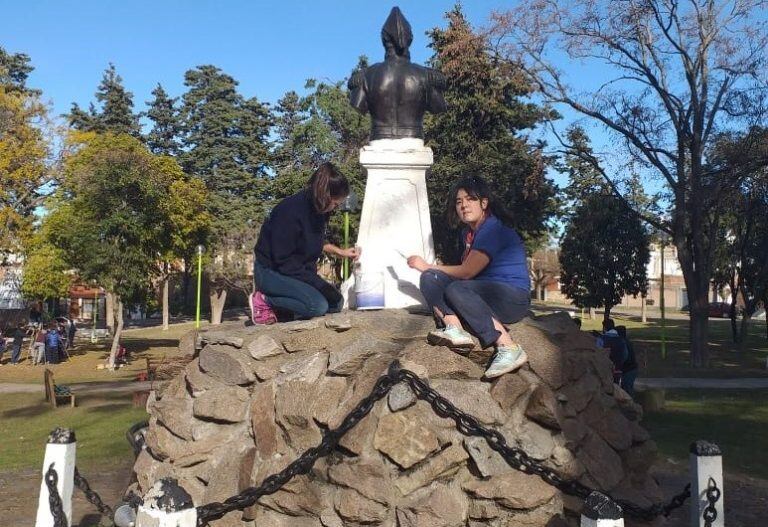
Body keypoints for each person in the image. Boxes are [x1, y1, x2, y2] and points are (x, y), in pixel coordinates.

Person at [407, 175, 531, 379]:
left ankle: (508, 347)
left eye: (470, 199)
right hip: (481, 293)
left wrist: (427, 265)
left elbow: (467, 272)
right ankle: (455, 329)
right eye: (458, 201)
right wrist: (429, 270)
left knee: (454, 286)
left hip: (512, 299)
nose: (464, 205)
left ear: (484, 203)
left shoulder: (493, 229)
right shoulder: (468, 234)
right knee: (431, 278)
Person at [252, 162, 360, 323]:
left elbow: (314, 241)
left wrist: (342, 252)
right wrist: (314, 282)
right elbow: (284, 262)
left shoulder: (319, 211)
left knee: (336, 302)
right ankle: (264, 300)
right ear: (326, 196)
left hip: (296, 272)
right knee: (316, 306)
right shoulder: (289, 211)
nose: (335, 208)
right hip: (271, 272)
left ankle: (287, 308)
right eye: (335, 204)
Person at [596, 319, 628, 383]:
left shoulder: (601, 339)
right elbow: (625, 355)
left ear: (604, 328)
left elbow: (597, 354)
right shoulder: (621, 340)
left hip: (604, 370)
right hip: (618, 369)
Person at [615, 325, 639, 397]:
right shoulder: (626, 341)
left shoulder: (623, 342)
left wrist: (619, 364)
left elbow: (625, 356)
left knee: (627, 389)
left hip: (629, 369)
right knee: (625, 388)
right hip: (630, 368)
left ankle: (632, 406)